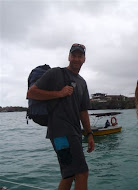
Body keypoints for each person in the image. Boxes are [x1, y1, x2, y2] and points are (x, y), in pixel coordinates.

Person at [27, 43, 95, 190]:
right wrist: (59, 93)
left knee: (69, 174)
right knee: (82, 172)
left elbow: (83, 111)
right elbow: (31, 93)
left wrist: (89, 134)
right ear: (69, 57)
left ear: (84, 59)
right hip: (60, 131)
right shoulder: (56, 73)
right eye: (74, 55)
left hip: (75, 132)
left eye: (79, 56)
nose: (76, 59)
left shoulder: (82, 82)